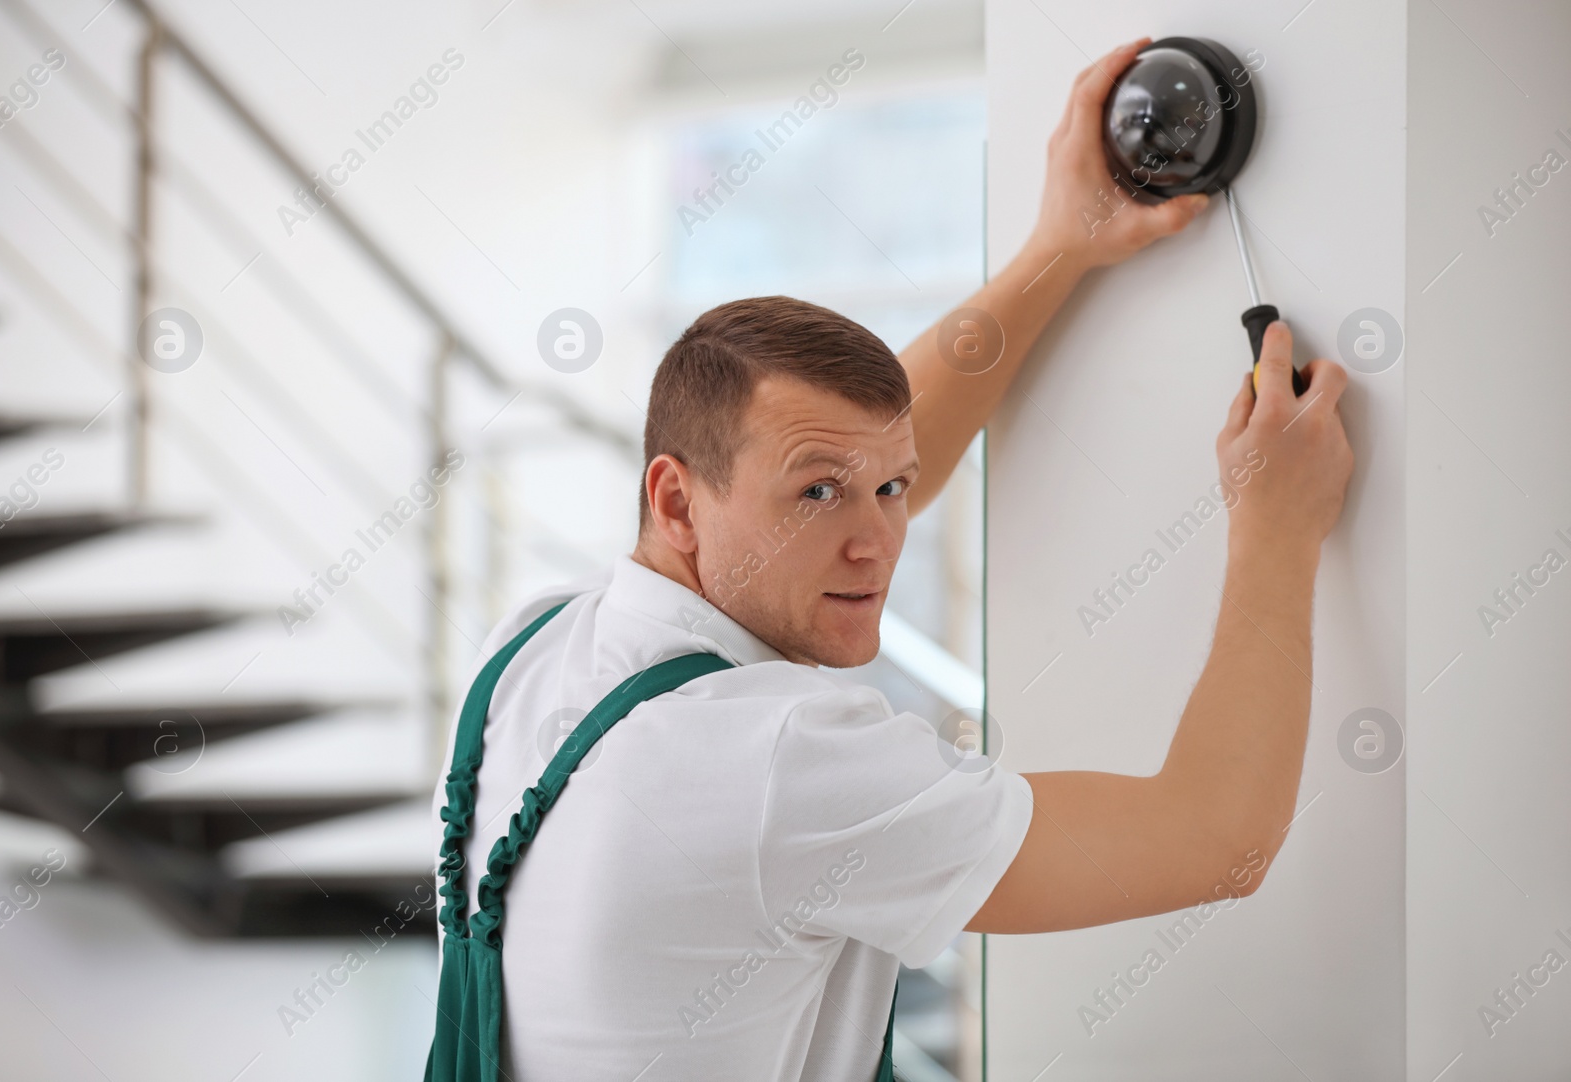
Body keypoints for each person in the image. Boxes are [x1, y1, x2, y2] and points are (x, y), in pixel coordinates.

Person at [428, 38, 1354, 1082]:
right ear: (677, 499)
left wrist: (1061, 246)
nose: (875, 541)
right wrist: (1275, 523)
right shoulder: (782, 755)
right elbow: (1215, 837)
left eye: (894, 488)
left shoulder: (530, 647)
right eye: (816, 495)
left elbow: (856, 444)